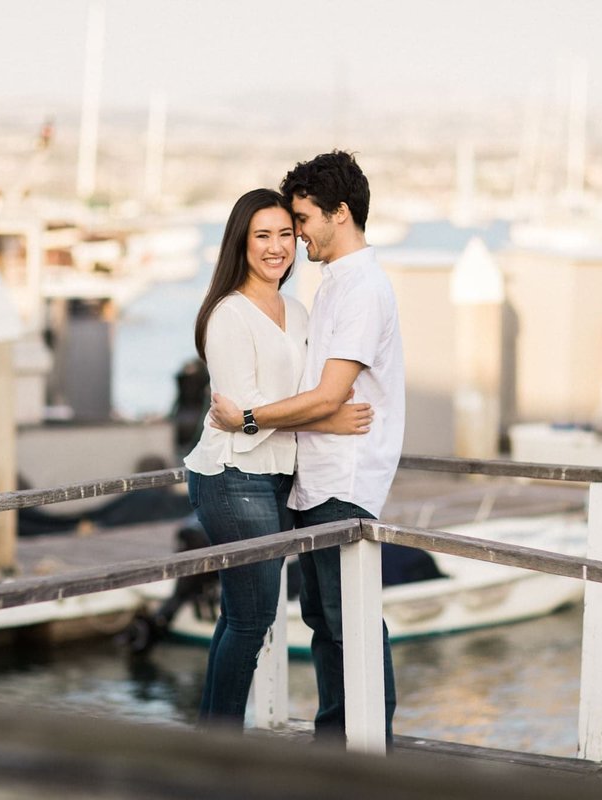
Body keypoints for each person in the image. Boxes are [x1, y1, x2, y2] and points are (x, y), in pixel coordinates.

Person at [210, 151, 405, 747]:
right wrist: (316, 420)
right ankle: (336, 750)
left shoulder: (361, 290)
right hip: (316, 479)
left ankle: (370, 754)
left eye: (300, 219)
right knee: (327, 624)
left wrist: (247, 418)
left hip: (343, 485)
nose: (294, 235)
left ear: (338, 214)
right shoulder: (333, 287)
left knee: (352, 627)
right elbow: (321, 404)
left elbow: (327, 395)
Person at [184, 187, 373, 730]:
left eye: (285, 234)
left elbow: (290, 398)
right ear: (240, 243)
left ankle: (210, 738)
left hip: (276, 477)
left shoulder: (295, 308)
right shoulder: (228, 314)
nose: (277, 248)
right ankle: (217, 749)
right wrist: (328, 418)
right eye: (262, 236)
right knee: (252, 617)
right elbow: (246, 414)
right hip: (231, 475)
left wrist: (313, 410)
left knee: (241, 613)